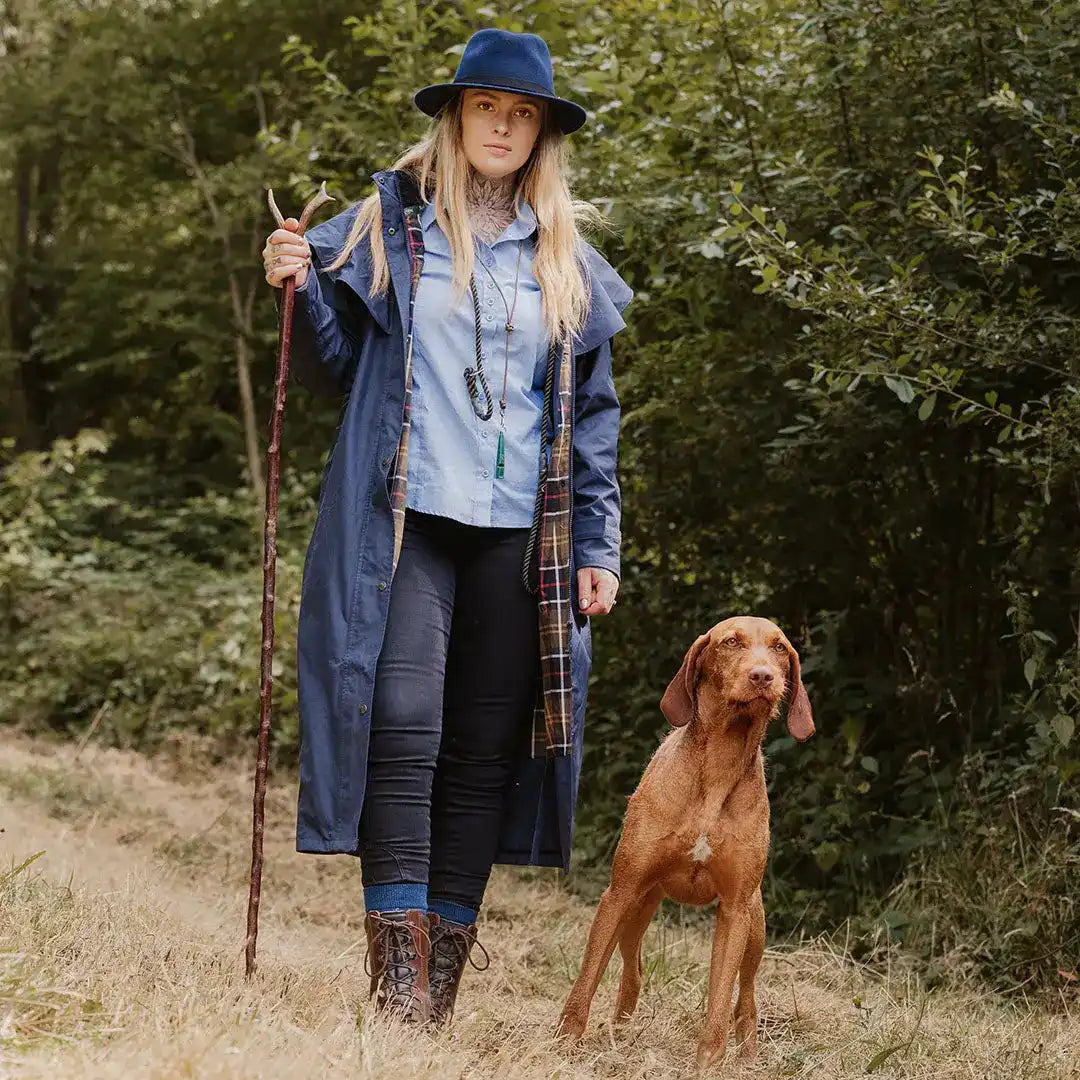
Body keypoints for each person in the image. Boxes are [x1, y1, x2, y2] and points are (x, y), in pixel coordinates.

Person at [262, 27, 632, 1026]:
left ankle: (436, 998)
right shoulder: (389, 227)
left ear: (541, 133)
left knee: (481, 748)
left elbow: (592, 416)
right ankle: (397, 982)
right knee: (404, 726)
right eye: (486, 109)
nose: (504, 127)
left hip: (523, 535)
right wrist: (299, 282)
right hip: (408, 520)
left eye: (523, 115)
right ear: (454, 118)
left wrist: (598, 544)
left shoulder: (567, 262)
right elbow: (341, 357)